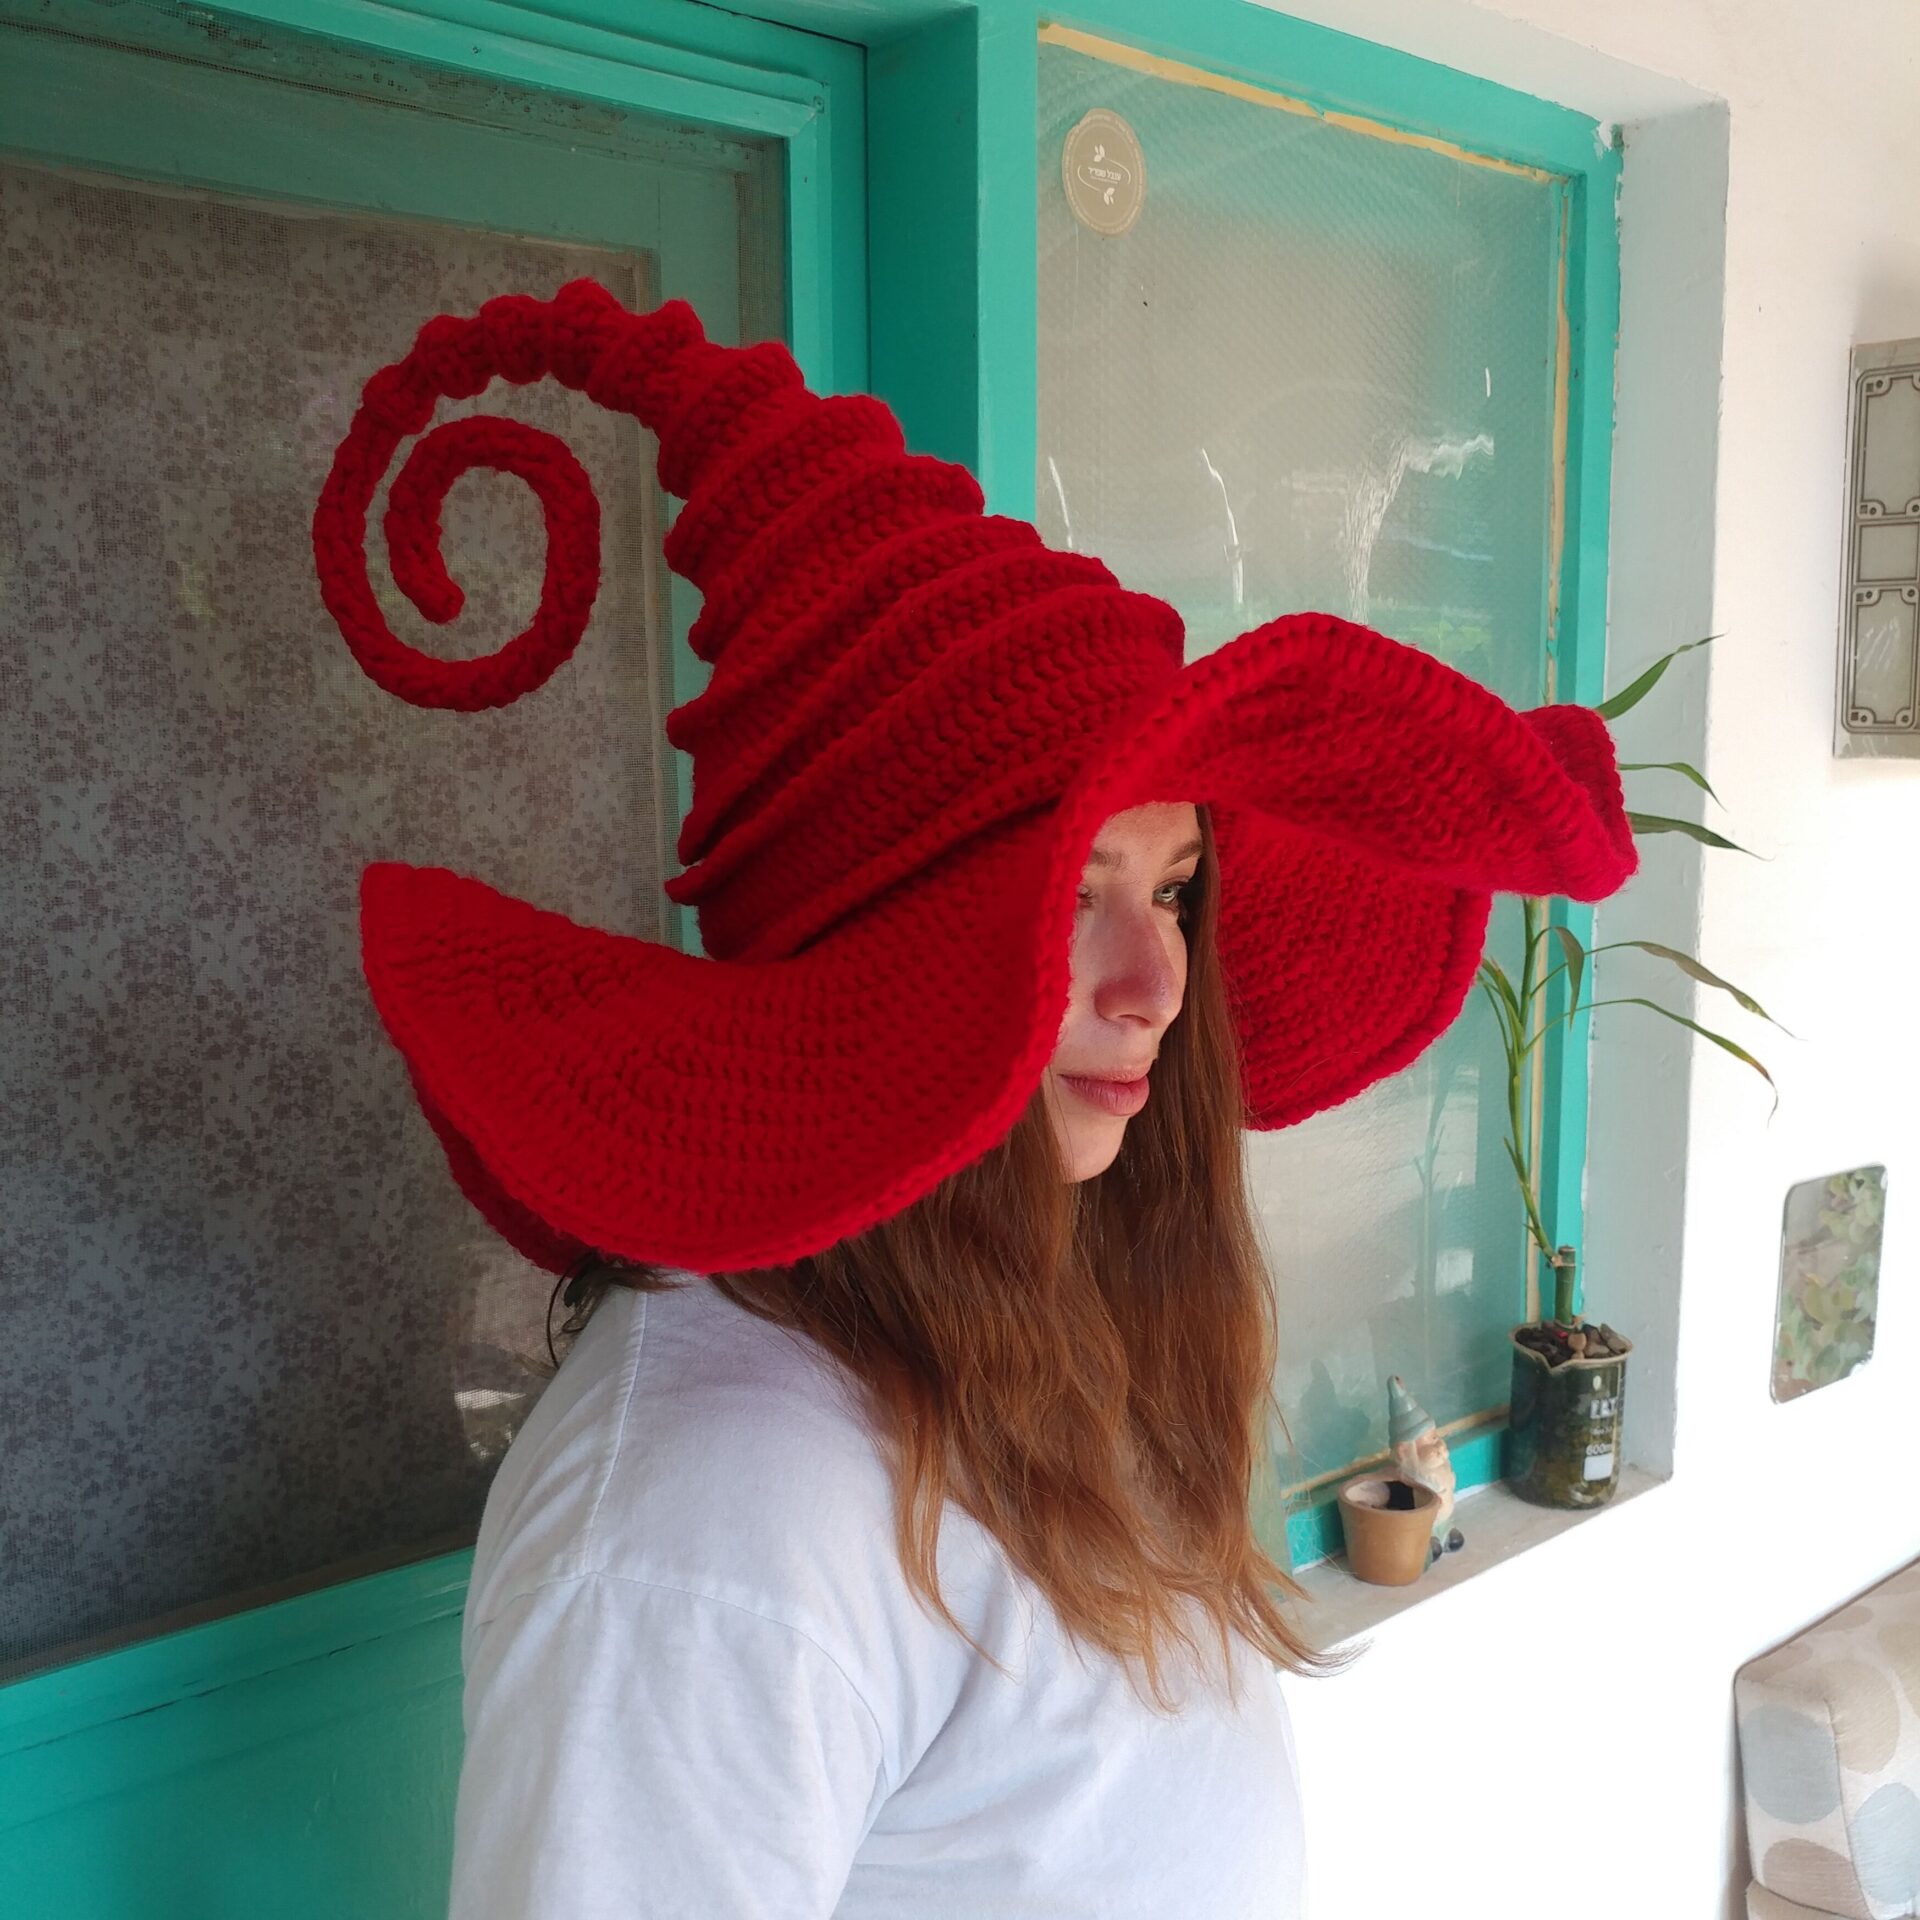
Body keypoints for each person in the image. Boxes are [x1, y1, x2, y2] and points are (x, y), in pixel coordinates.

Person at [311, 280, 1638, 1917]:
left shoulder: (1009, 1306)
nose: (1158, 984)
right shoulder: (712, 1522)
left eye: (1175, 886)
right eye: (1070, 891)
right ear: (878, 964)